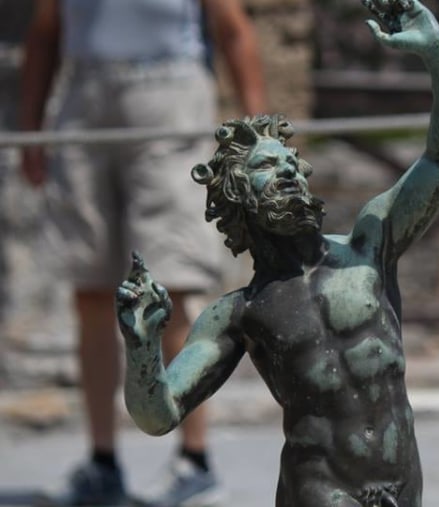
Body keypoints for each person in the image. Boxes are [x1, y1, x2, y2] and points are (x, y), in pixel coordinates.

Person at [115, 0, 439, 505]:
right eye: (268, 166)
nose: (289, 170)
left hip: (402, 491)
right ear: (239, 194)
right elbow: (158, 413)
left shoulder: (369, 246)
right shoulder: (238, 314)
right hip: (319, 493)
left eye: (292, 162)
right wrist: (141, 348)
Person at [19, 0, 267, 505]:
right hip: (84, 99)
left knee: (173, 284)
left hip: (169, 95)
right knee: (89, 289)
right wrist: (31, 128)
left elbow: (234, 31)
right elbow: (45, 33)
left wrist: (256, 134)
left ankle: (193, 461)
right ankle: (102, 460)